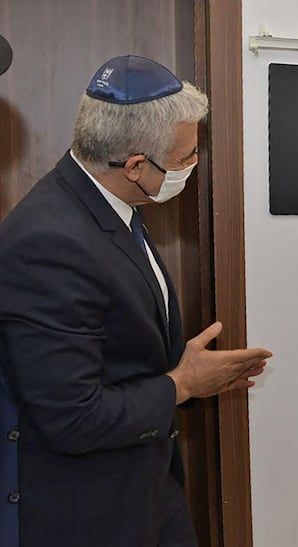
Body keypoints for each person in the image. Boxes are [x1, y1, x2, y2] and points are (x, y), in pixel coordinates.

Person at [0, 55, 272, 547]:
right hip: (89, 515)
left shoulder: (107, 202)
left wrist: (187, 374)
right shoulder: (49, 241)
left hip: (148, 492)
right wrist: (182, 384)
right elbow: (72, 418)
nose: (192, 166)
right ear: (135, 165)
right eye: (186, 156)